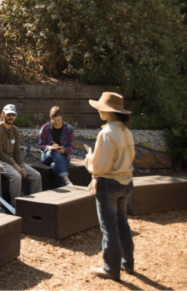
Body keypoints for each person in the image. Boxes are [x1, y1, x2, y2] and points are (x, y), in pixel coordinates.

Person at [85, 92, 136, 281]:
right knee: (122, 223)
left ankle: (111, 268)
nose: (98, 110)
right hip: (126, 183)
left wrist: (88, 159)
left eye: (101, 107)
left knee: (109, 227)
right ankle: (127, 263)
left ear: (109, 111)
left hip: (109, 184)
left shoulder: (106, 133)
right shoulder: (126, 131)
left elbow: (98, 166)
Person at [0, 104, 42, 202]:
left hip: (11, 160)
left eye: (13, 115)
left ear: (16, 116)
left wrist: (21, 165)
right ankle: (16, 204)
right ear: (2, 114)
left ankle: (36, 203)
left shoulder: (15, 130)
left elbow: (17, 151)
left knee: (36, 175)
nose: (11, 117)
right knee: (16, 176)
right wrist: (15, 166)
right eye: (8, 114)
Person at [38, 106, 76, 187]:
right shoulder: (45, 128)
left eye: (58, 120)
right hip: (47, 155)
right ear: (50, 118)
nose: (56, 122)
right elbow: (41, 145)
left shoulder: (69, 128)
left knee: (54, 166)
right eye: (54, 120)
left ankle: (62, 186)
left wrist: (64, 150)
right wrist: (49, 147)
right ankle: (66, 179)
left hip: (63, 157)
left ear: (62, 117)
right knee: (54, 151)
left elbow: (71, 146)